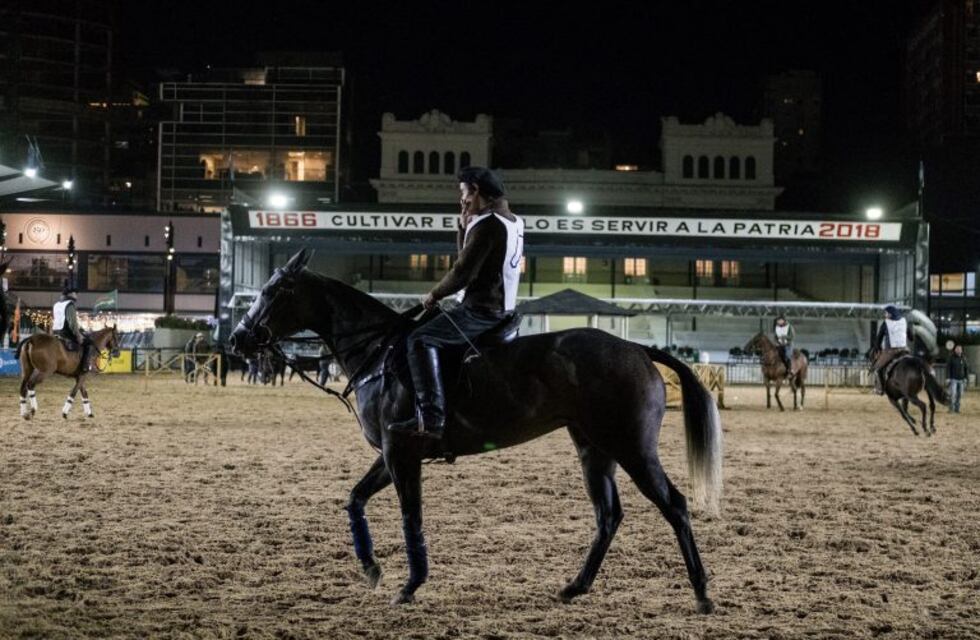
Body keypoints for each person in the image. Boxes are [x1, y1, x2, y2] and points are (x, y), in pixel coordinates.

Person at [388, 166, 524, 440]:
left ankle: (431, 417)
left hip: (481, 310)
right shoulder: (513, 221)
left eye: (463, 193)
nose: (461, 199)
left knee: (419, 339)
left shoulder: (488, 225)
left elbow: (462, 272)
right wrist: (463, 229)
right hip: (502, 307)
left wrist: (434, 294)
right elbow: (467, 261)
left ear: (476, 191)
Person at [51, 283, 93, 373]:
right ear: (70, 294)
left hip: (56, 332)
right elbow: (72, 323)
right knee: (88, 344)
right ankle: (84, 366)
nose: (76, 295)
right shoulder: (69, 305)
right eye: (75, 293)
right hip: (66, 332)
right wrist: (78, 335)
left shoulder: (57, 304)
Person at [870, 304, 910, 395]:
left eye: (886, 313)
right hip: (905, 349)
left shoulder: (886, 323)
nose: (885, 315)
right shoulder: (904, 321)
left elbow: (879, 338)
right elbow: (911, 336)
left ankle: (880, 389)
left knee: (877, 369)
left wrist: (877, 347)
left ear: (890, 314)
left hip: (891, 351)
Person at [947, 343, 969, 414]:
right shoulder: (951, 357)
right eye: (957, 349)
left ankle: (957, 409)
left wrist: (966, 378)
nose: (959, 350)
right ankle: (951, 409)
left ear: (962, 350)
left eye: (960, 349)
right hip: (953, 379)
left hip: (961, 380)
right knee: (953, 394)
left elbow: (966, 369)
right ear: (955, 350)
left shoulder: (964, 358)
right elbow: (948, 368)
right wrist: (948, 378)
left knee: (959, 395)